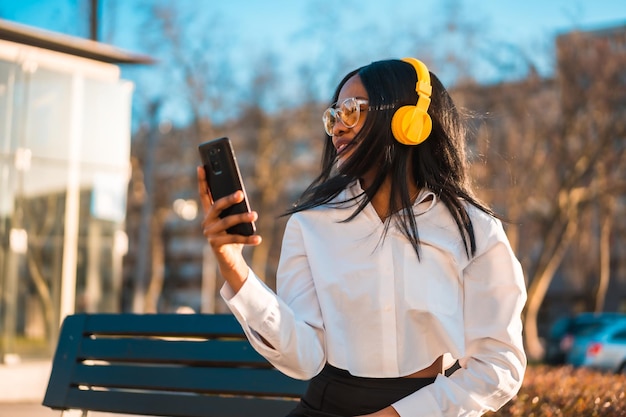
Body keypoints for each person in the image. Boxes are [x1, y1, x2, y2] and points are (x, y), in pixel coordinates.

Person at [198, 58, 527, 417]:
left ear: (409, 121)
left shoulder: (474, 229)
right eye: (333, 116)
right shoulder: (310, 223)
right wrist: (234, 269)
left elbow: (499, 363)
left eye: (351, 111)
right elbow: (304, 359)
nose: (337, 127)